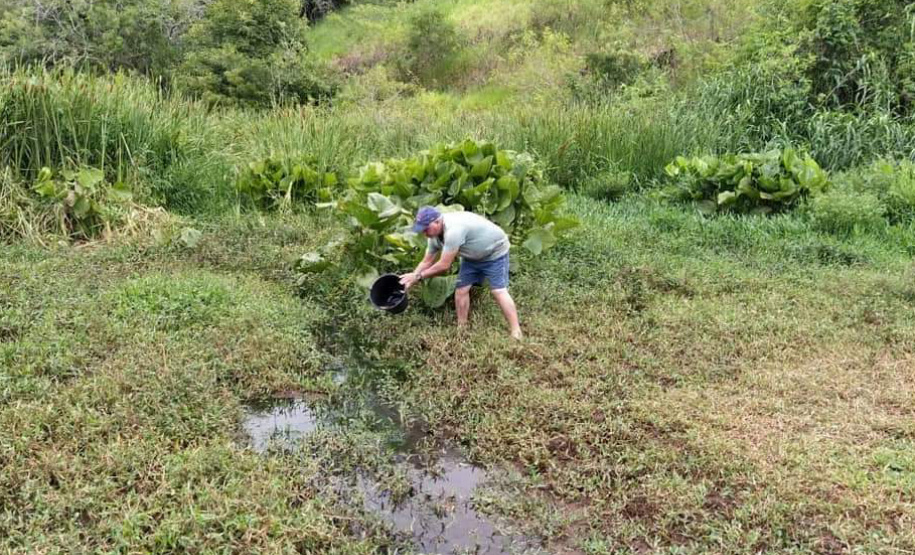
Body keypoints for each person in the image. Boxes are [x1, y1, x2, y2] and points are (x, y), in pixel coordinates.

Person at [400, 206, 522, 340]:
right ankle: (462, 329)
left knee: (498, 291)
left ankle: (516, 331)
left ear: (437, 221)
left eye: (426, 229)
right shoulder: (433, 237)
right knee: (461, 290)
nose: (425, 233)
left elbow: (444, 265)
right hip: (471, 258)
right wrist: (412, 277)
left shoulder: (453, 230)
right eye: (422, 230)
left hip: (495, 252)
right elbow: (426, 261)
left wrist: (418, 277)